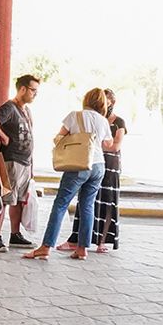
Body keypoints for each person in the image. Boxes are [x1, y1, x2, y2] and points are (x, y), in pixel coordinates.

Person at [25, 88, 114, 261]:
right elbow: (109, 143)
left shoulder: (75, 116)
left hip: (79, 165)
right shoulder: (103, 120)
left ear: (86, 99)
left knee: (60, 204)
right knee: (87, 206)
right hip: (98, 166)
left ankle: (45, 247)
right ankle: (82, 249)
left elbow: (58, 138)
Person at [63, 88, 126, 252]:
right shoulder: (97, 119)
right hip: (92, 161)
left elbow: (115, 146)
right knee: (86, 203)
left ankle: (101, 241)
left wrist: (92, 145)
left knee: (106, 202)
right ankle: (77, 240)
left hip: (109, 166)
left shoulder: (118, 122)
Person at [0, 74, 40, 251]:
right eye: (33, 90)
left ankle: (15, 234)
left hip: (25, 162)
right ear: (22, 89)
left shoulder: (27, 110)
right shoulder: (9, 107)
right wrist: (4, 137)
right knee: (5, 198)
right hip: (11, 160)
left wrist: (32, 164)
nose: (35, 94)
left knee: (19, 200)